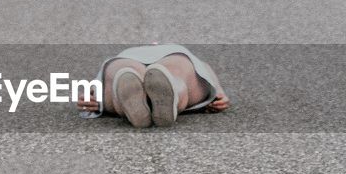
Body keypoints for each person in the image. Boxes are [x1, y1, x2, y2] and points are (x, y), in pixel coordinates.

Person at [75, 44, 230, 128]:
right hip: (174, 56)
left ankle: (124, 104)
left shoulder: (127, 53)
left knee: (121, 73)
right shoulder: (174, 49)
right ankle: (174, 92)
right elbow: (206, 68)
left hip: (126, 59)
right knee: (178, 73)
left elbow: (96, 82)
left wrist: (89, 95)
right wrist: (219, 92)